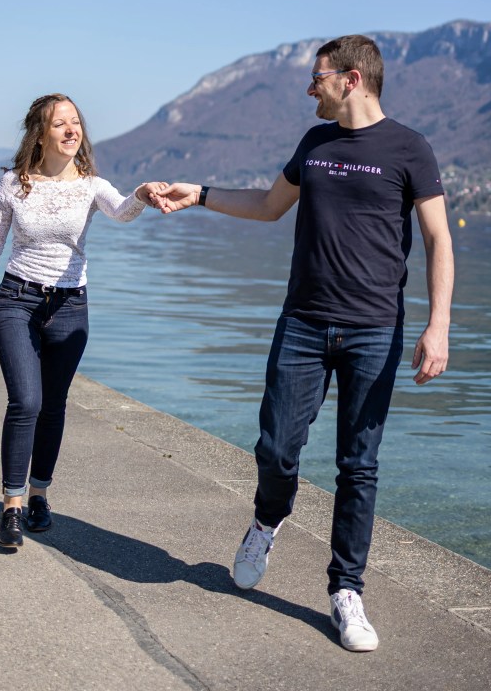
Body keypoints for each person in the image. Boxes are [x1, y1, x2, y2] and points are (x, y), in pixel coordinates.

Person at [152, 34, 454, 652]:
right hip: (303, 323)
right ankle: (268, 519)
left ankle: (347, 592)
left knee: (358, 465)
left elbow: (437, 239)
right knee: (275, 448)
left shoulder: (409, 148)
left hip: (374, 329)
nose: (308, 88)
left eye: (316, 78)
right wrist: (200, 194)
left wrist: (438, 323)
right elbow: (269, 206)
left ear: (351, 79)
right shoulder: (315, 143)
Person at [0, 93, 166, 549]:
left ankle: (39, 496)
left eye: (76, 122)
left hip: (70, 307)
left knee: (54, 405)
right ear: (40, 134)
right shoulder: (13, 183)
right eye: (60, 124)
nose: (72, 130)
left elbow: (122, 211)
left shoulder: (92, 185)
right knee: (26, 402)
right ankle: (11, 506)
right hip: (16, 300)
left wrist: (142, 193)